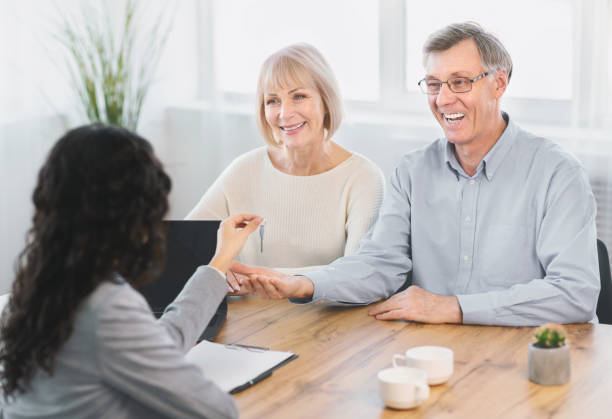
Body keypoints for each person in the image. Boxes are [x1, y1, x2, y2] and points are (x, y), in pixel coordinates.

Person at [231, 22, 600, 326]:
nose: (442, 99)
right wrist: (302, 284)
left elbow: (575, 293)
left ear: (498, 84)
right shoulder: (412, 171)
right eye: (434, 84)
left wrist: (454, 307)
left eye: (459, 82)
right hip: (433, 356)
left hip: (533, 358)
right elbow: (379, 265)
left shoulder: (557, 173)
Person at [0, 124, 263, 418]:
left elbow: (156, 345)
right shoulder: (106, 307)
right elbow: (216, 410)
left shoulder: (36, 286)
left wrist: (221, 260)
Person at [186, 43, 384, 292]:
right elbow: (185, 248)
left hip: (330, 322)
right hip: (248, 318)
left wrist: (260, 277)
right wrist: (217, 268)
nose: (284, 113)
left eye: (298, 96)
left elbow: (360, 272)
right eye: (272, 101)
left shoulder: (363, 178)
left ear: (326, 100)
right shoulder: (244, 169)